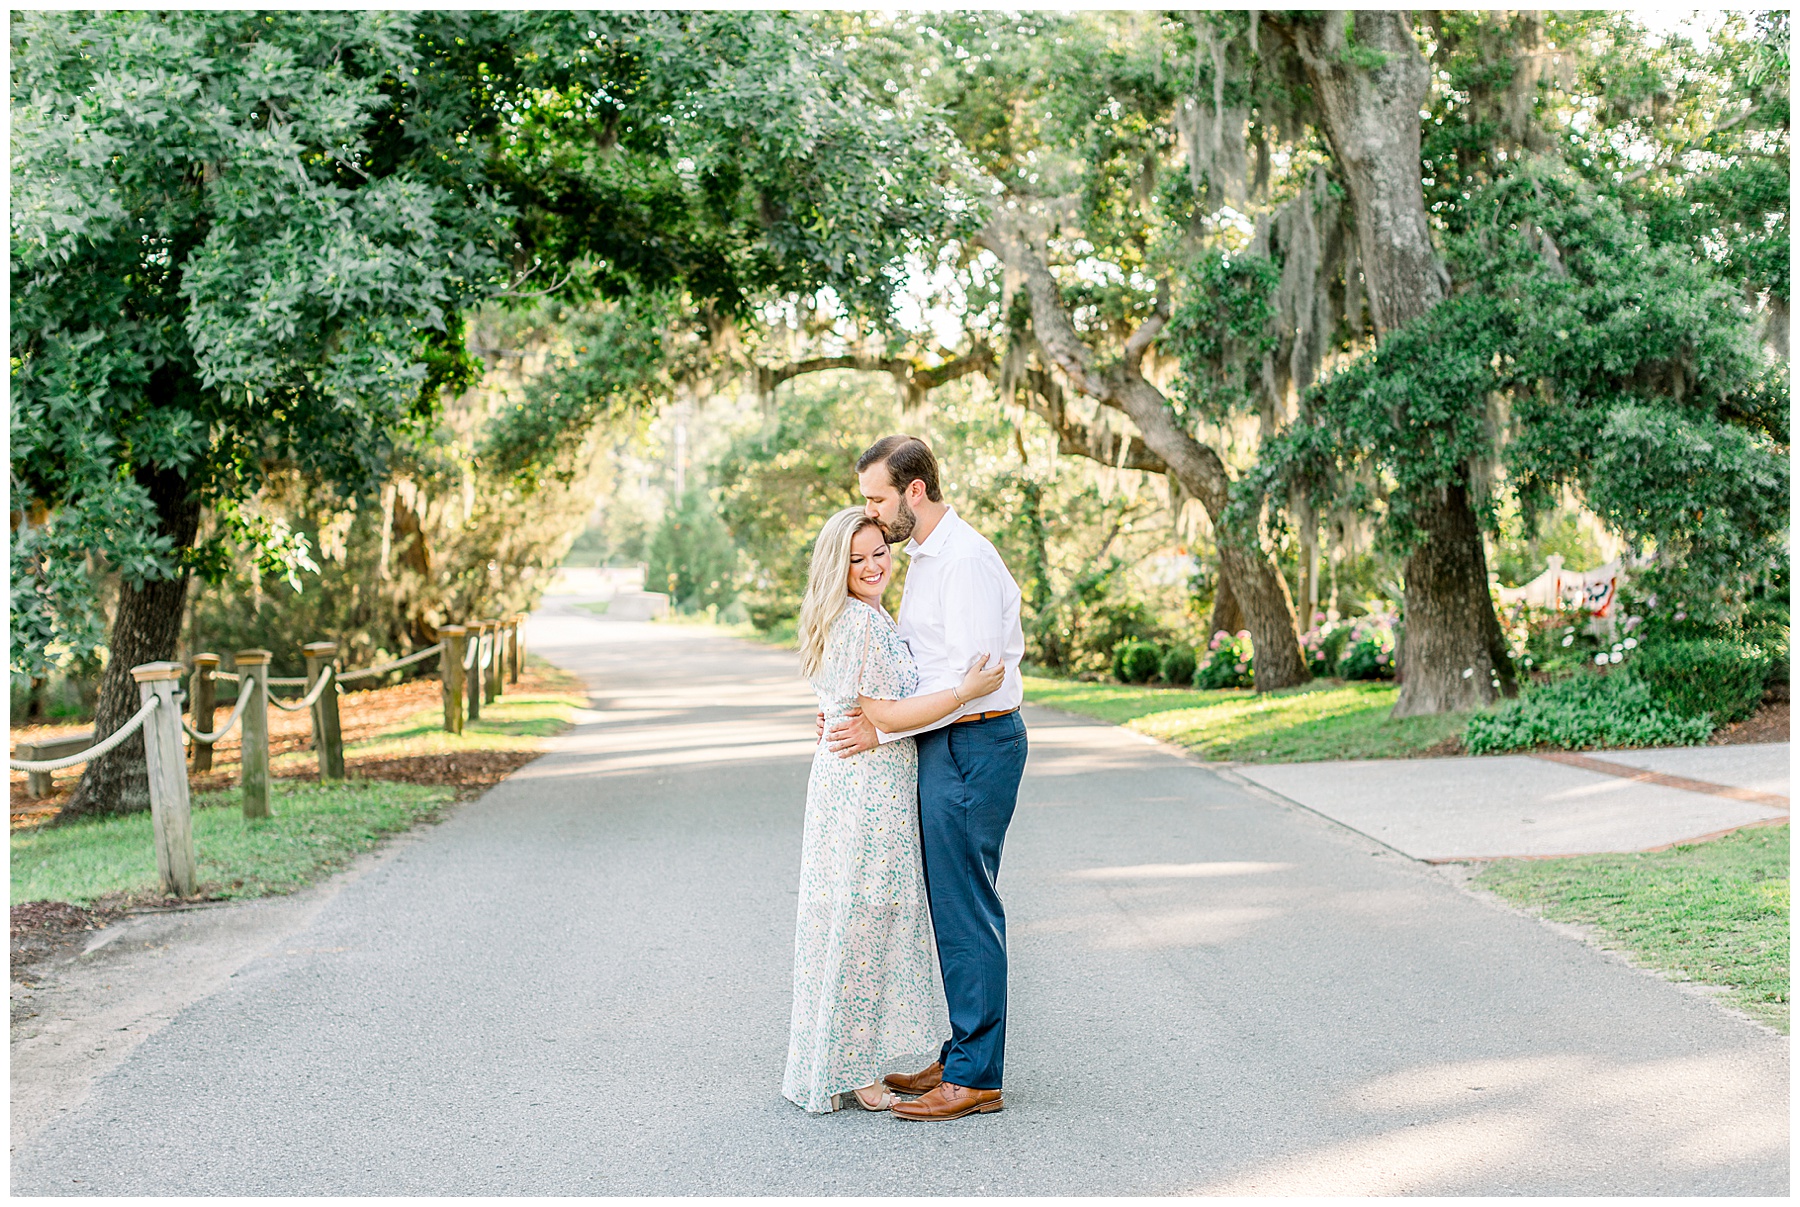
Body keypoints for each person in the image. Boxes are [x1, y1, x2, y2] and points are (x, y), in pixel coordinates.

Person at [826, 435, 1028, 1123]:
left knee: (967, 904)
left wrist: (880, 729)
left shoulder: (965, 559)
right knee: (951, 904)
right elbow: (912, 664)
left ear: (914, 490)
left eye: (878, 498)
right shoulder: (926, 557)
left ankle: (977, 1075)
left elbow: (973, 683)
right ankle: (964, 1048)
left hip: (976, 740)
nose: (872, 515)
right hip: (947, 741)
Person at [783, 506, 1005, 1114]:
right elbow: (880, 712)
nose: (873, 565)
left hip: (854, 782)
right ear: (837, 568)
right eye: (856, 560)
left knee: (855, 921)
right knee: (863, 924)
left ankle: (845, 1058)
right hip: (868, 793)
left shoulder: (861, 617)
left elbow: (852, 702)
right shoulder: (862, 622)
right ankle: (855, 1070)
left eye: (879, 552)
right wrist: (962, 692)